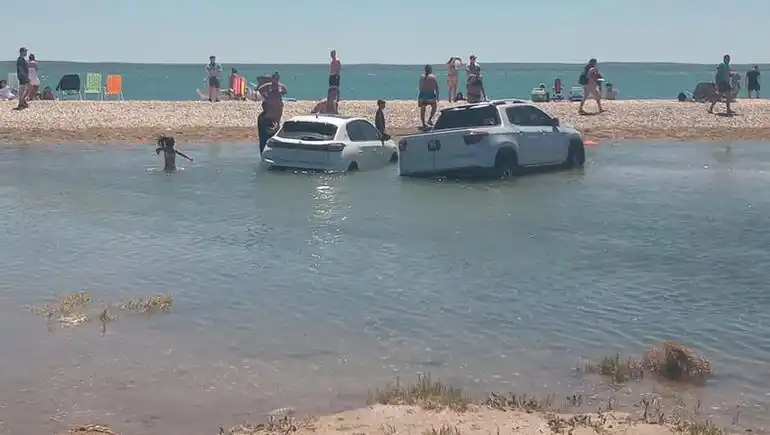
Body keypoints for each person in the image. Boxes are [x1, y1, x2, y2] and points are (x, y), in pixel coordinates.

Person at [418, 64, 439, 129]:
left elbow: (420, 87)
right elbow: (436, 87)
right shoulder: (433, 77)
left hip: (423, 95)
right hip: (430, 96)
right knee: (434, 107)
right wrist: (437, 96)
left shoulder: (421, 77)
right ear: (430, 70)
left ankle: (423, 123)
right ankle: (429, 119)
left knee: (422, 109)